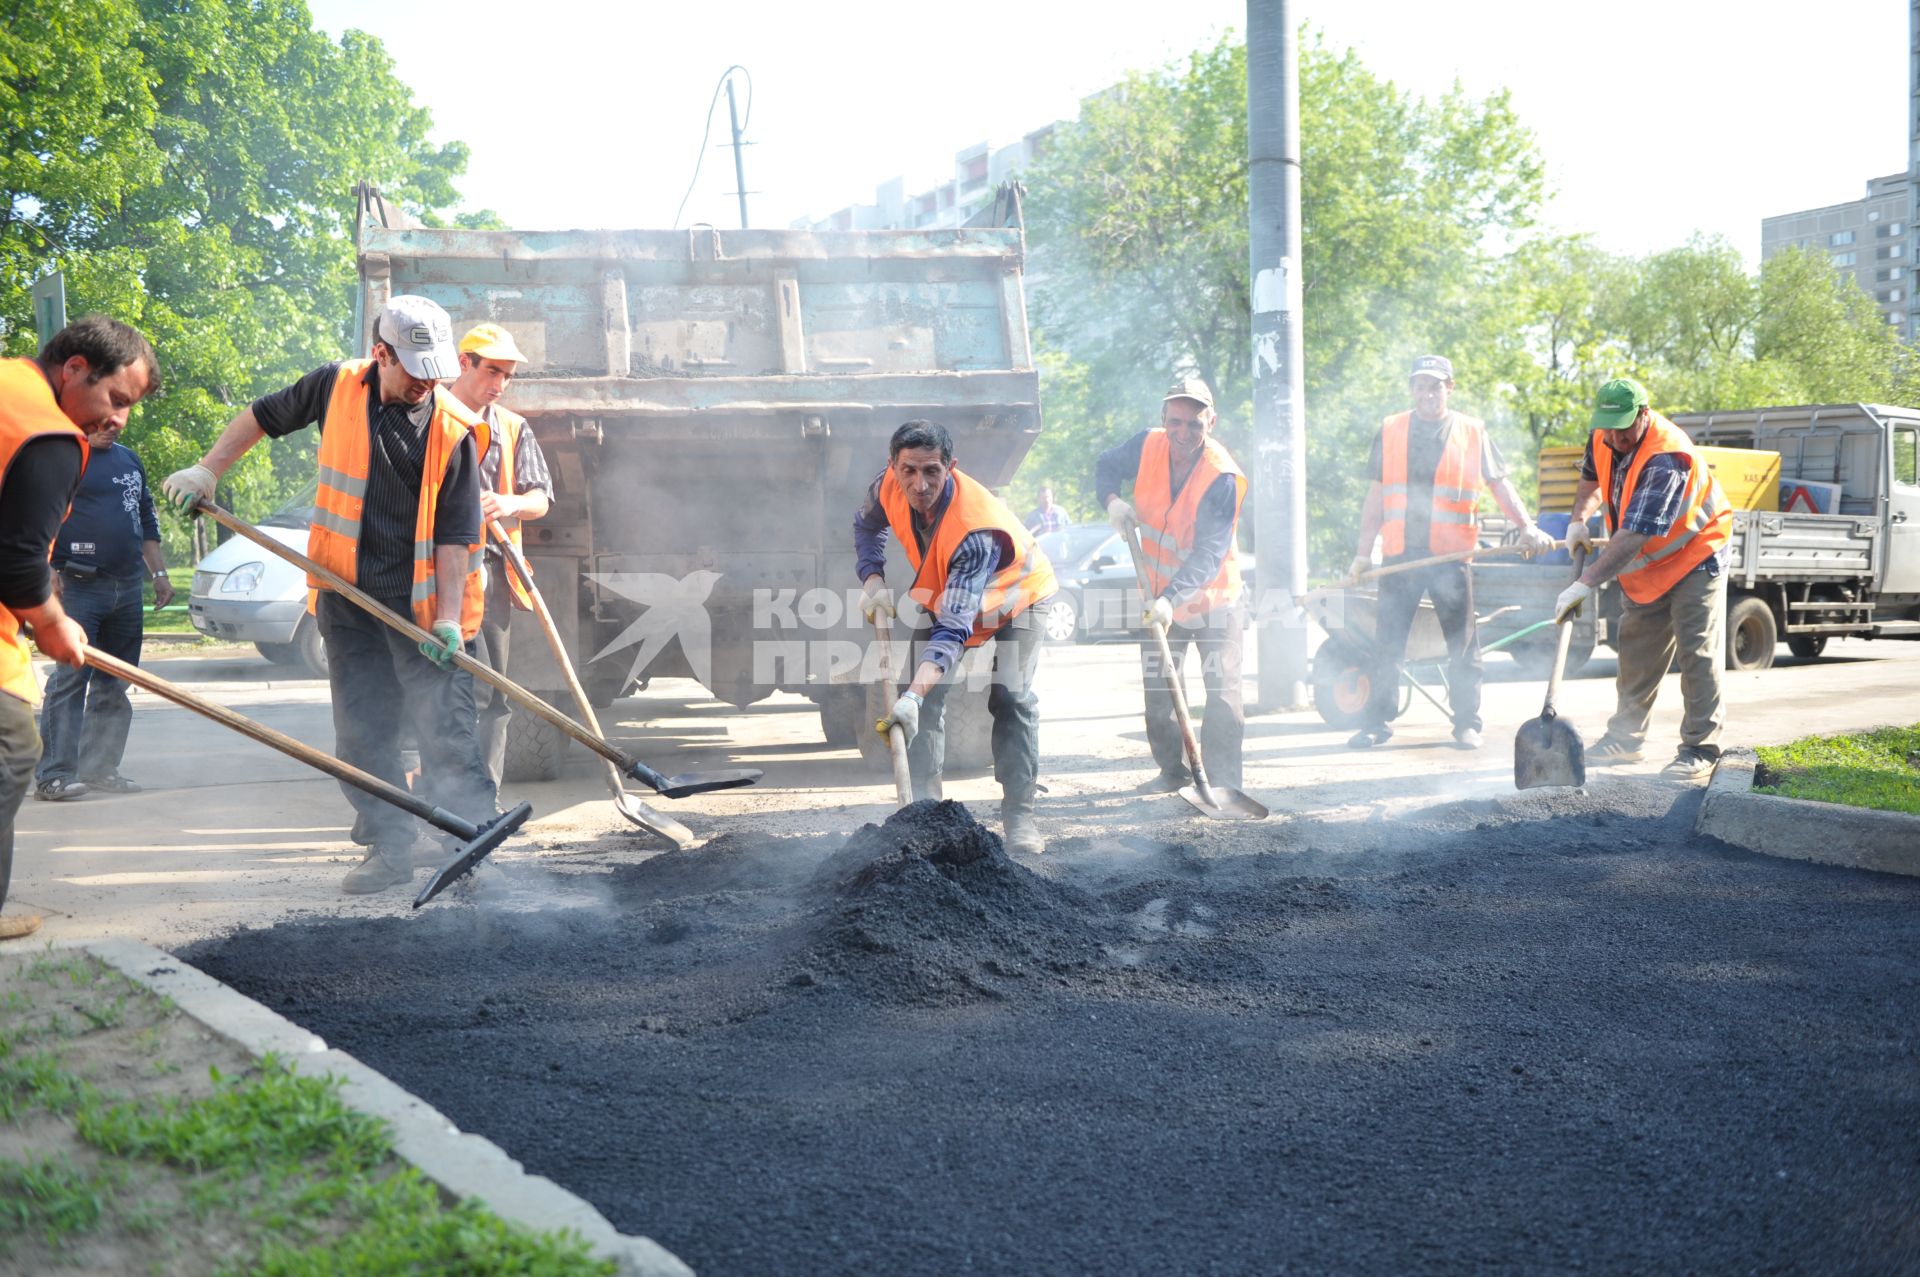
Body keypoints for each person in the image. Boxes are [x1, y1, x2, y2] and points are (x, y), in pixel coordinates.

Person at [162, 295, 496, 895]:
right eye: (414, 369)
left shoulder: (456, 430)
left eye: (434, 370)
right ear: (381, 353)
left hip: (423, 611)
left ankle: (469, 850)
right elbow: (262, 416)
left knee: (446, 731)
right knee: (364, 732)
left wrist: (448, 620)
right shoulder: (333, 386)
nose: (427, 382)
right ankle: (389, 850)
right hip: (346, 600)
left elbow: (457, 536)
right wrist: (208, 468)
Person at [1, 315, 159, 939]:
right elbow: (15, 561)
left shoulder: (12, 383)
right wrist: (52, 620)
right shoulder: (48, 435)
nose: (119, 417)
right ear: (74, 368)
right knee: (14, 747)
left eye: (130, 407)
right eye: (115, 397)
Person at [855, 420, 1058, 854]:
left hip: (1018, 597)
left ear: (951, 467)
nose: (920, 484)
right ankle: (926, 818)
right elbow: (866, 526)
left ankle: (1020, 818)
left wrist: (910, 697)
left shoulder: (975, 529)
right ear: (892, 466)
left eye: (932, 471)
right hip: (948, 588)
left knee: (1011, 696)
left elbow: (953, 630)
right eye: (908, 471)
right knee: (922, 698)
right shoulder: (886, 485)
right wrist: (872, 577)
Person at [1347, 354, 1555, 751]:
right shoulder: (1391, 429)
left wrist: (1527, 527)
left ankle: (1466, 724)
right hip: (1401, 558)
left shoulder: (1472, 431)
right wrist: (1362, 553)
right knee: (1387, 644)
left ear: (1450, 387)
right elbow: (1375, 497)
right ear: (1412, 389)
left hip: (1450, 560)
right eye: (1421, 384)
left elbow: (1499, 485)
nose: (1428, 392)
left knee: (1462, 645)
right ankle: (1376, 723)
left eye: (1436, 385)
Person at [1555, 377, 1732, 780]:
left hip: (1695, 550)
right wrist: (1578, 520)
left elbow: (1635, 535)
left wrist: (1584, 583)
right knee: (1635, 649)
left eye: (1624, 427)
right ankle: (1625, 741)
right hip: (1648, 560)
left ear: (1644, 413)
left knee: (1696, 652)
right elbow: (1589, 479)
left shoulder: (1667, 455)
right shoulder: (1604, 433)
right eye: (1609, 427)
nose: (1615, 437)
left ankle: (1700, 749)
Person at [1095, 377, 1248, 791]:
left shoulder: (1222, 476)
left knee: (1222, 693)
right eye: (1175, 422)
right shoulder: (1147, 445)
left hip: (1214, 597)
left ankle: (1224, 784)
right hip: (1158, 592)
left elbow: (1209, 553)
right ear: (1164, 419)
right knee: (1160, 686)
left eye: (1194, 424)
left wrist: (1170, 601)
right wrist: (1112, 501)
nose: (1184, 433)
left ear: (1211, 422)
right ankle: (1173, 771)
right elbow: (1105, 466)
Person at [33, 406, 172, 800]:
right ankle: (54, 775)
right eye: (103, 421)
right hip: (77, 586)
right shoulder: (61, 462)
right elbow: (37, 518)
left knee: (116, 682)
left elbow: (145, 518)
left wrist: (158, 574)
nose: (112, 428)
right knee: (70, 680)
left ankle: (99, 769)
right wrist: (47, 571)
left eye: (118, 421)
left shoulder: (129, 460)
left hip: (127, 586)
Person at [445, 323, 552, 789]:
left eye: (507, 376)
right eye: (493, 371)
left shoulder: (511, 428)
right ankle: (439, 796)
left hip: (488, 575)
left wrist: (510, 503)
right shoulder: (427, 417)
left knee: (495, 696)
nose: (500, 385)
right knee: (437, 691)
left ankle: (482, 803)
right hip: (429, 575)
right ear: (463, 362)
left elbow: (541, 499)